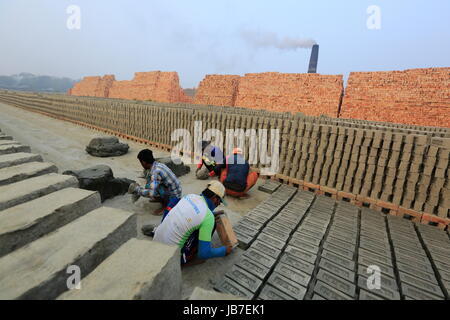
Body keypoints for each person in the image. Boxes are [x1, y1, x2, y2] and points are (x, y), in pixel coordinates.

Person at [152, 181, 233, 266]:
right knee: (211, 226)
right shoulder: (208, 217)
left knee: (182, 213)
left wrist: (212, 214)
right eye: (219, 202)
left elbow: (195, 213)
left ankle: (157, 230)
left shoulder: (190, 196)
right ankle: (188, 258)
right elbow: (204, 254)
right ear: (215, 198)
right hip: (171, 258)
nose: (218, 205)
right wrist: (224, 250)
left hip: (156, 243)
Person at [128, 149, 182, 217]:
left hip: (174, 196)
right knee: (149, 185)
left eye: (141, 162)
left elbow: (151, 193)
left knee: (152, 191)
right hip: (175, 190)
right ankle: (161, 199)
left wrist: (137, 190)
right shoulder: (157, 164)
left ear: (144, 162)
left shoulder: (156, 172)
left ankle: (166, 206)